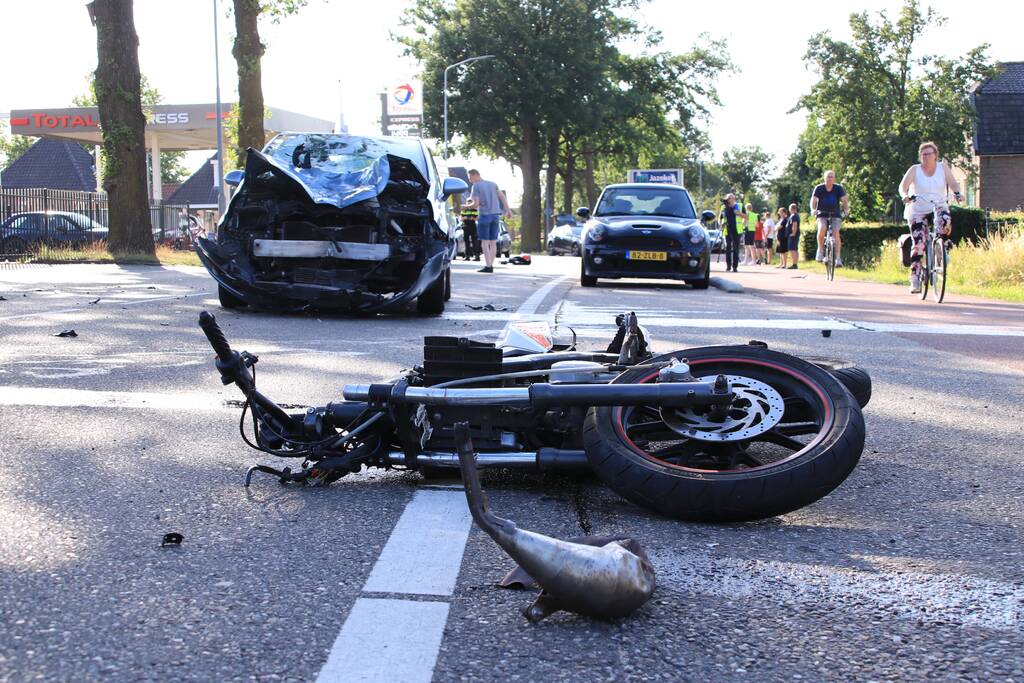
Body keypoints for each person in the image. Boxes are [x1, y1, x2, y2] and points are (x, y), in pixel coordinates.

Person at [898, 141, 963, 293]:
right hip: (918, 209)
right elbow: (902, 187)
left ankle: (941, 248)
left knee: (945, 222)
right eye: (923, 154)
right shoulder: (915, 170)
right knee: (919, 243)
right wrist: (905, 196)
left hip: (939, 205)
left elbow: (953, 184)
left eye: (929, 154)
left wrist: (958, 193)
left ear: (935, 156)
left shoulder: (942, 168)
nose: (926, 157)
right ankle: (915, 278)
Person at [465, 169, 512, 273]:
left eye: (470, 178)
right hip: (496, 216)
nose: (470, 180)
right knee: (493, 242)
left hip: (485, 216)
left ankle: (488, 266)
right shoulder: (493, 184)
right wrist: (508, 210)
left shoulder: (476, 186)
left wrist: (465, 206)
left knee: (485, 243)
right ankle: (490, 265)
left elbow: (475, 204)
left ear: (475, 175)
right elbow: (502, 197)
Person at [810, 170, 850, 266]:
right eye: (828, 176)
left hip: (835, 214)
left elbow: (844, 200)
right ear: (824, 178)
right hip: (822, 214)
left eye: (832, 177)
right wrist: (813, 209)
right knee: (822, 228)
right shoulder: (819, 188)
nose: (830, 178)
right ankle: (820, 250)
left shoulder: (838, 188)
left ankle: (838, 258)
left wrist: (846, 210)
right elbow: (814, 200)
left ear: (834, 178)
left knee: (836, 233)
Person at [721, 193, 743, 272]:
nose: (731, 200)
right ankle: (728, 266)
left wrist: (738, 213)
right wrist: (721, 224)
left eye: (732, 198)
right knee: (728, 248)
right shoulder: (723, 207)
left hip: (737, 230)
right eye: (729, 198)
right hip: (727, 230)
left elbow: (746, 216)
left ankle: (735, 266)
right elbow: (720, 217)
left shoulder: (739, 206)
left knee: (736, 248)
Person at [786, 203, 801, 269]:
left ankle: (794, 264)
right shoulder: (796, 215)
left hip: (793, 235)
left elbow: (794, 225)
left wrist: (793, 233)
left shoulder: (794, 216)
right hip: (795, 234)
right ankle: (795, 264)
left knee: (793, 249)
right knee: (795, 249)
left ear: (791, 209)